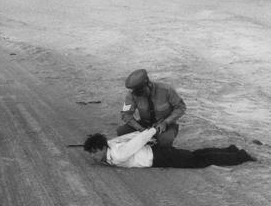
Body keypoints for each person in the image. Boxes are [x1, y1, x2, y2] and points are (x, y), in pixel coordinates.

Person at [83, 127, 255, 168]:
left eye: (94, 152)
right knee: (195, 155)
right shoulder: (111, 145)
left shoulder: (118, 155)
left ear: (102, 148)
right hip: (156, 153)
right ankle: (231, 150)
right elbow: (124, 137)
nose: (92, 156)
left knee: (200, 161)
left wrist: (151, 131)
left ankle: (240, 157)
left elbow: (135, 142)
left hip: (158, 157)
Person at [118, 69, 186, 147]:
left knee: (166, 139)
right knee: (121, 131)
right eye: (138, 93)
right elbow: (126, 114)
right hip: (144, 124)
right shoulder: (132, 95)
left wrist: (166, 122)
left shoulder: (166, 90)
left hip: (166, 124)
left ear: (149, 84)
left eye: (142, 92)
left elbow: (181, 107)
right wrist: (140, 129)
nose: (141, 95)